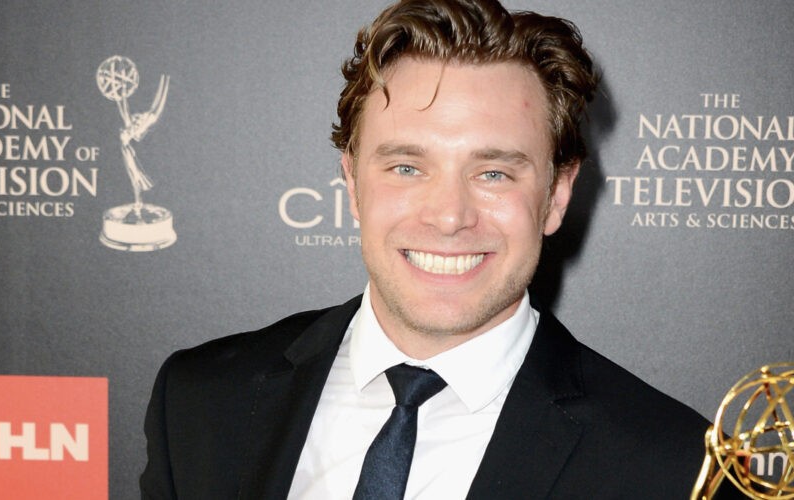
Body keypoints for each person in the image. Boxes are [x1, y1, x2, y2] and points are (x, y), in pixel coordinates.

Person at [141, 1, 741, 498]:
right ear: (351, 184)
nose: (450, 216)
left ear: (557, 195)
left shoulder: (675, 468)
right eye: (406, 167)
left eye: (494, 173)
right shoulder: (198, 403)